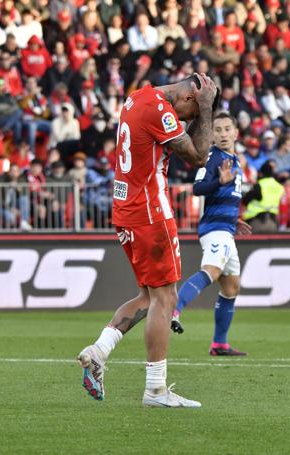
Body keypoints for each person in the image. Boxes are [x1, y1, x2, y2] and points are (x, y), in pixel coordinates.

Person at [77, 73, 218, 408]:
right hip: (150, 211)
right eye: (190, 114)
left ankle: (98, 351)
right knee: (166, 299)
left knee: (149, 296)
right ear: (187, 98)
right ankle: (155, 390)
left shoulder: (138, 96)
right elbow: (199, 157)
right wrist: (208, 110)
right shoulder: (160, 110)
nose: (188, 122)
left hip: (126, 210)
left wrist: (201, 109)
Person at [170, 112, 252, 355]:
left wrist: (233, 219)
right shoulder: (213, 158)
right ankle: (173, 310)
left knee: (231, 287)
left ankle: (219, 344)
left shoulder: (233, 159)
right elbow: (198, 188)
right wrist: (219, 182)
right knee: (212, 272)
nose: (223, 133)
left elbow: (225, 195)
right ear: (212, 134)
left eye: (228, 129)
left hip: (225, 228)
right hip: (215, 230)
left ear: (236, 133)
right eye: (218, 130)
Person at [242, 160, 285, 233]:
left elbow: (246, 200)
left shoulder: (259, 185)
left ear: (261, 173)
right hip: (273, 223)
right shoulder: (279, 187)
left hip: (257, 222)